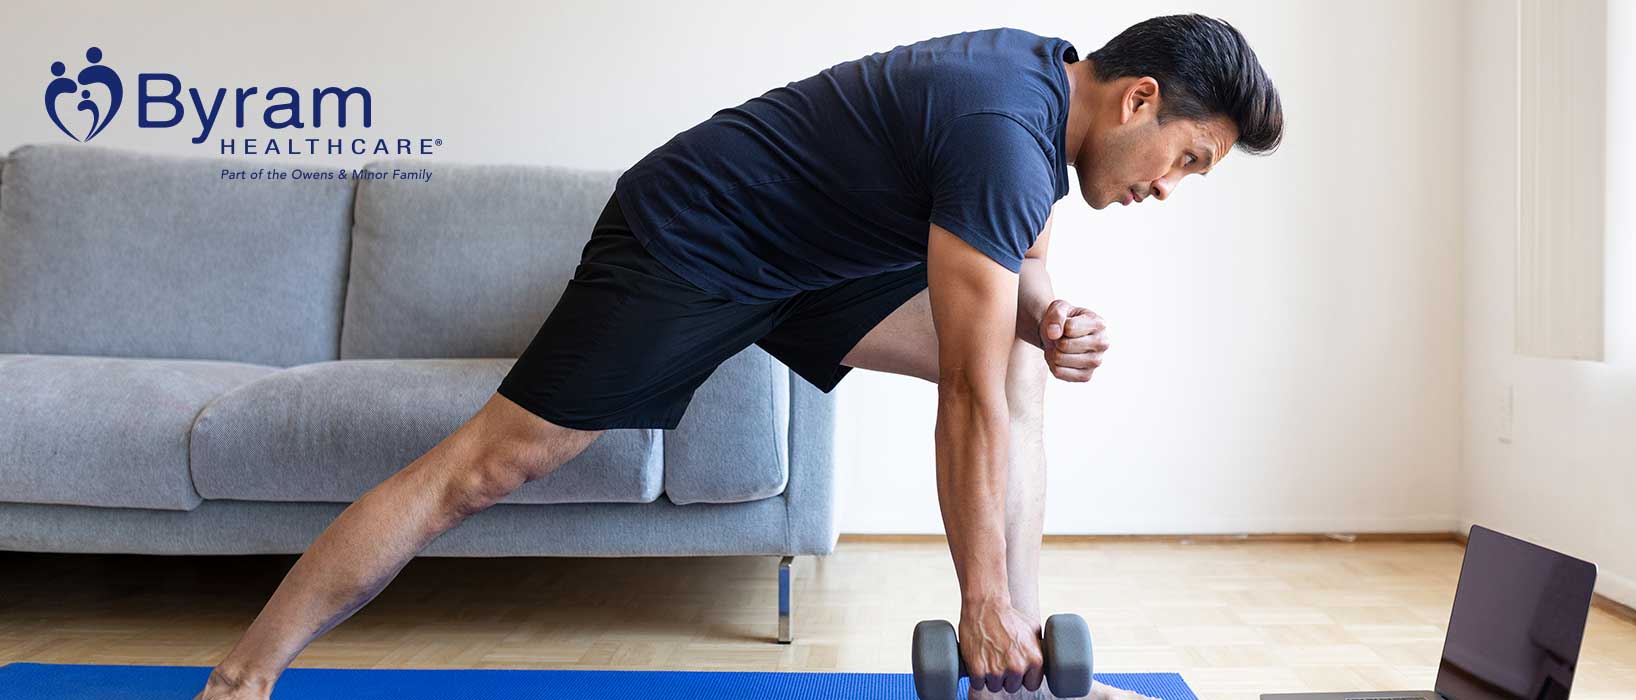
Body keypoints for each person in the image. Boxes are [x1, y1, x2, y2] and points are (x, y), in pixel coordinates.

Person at [194, 14, 1282, 700]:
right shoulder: (1007, 122)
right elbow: (963, 393)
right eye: (1182, 159)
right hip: (691, 238)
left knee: (1017, 357)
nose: (1165, 187)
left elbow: (1021, 252)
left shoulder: (1046, 87)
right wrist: (972, 595)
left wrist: (1042, 315)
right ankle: (241, 677)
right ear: (1139, 100)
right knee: (486, 467)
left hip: (801, 259)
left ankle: (1024, 669)